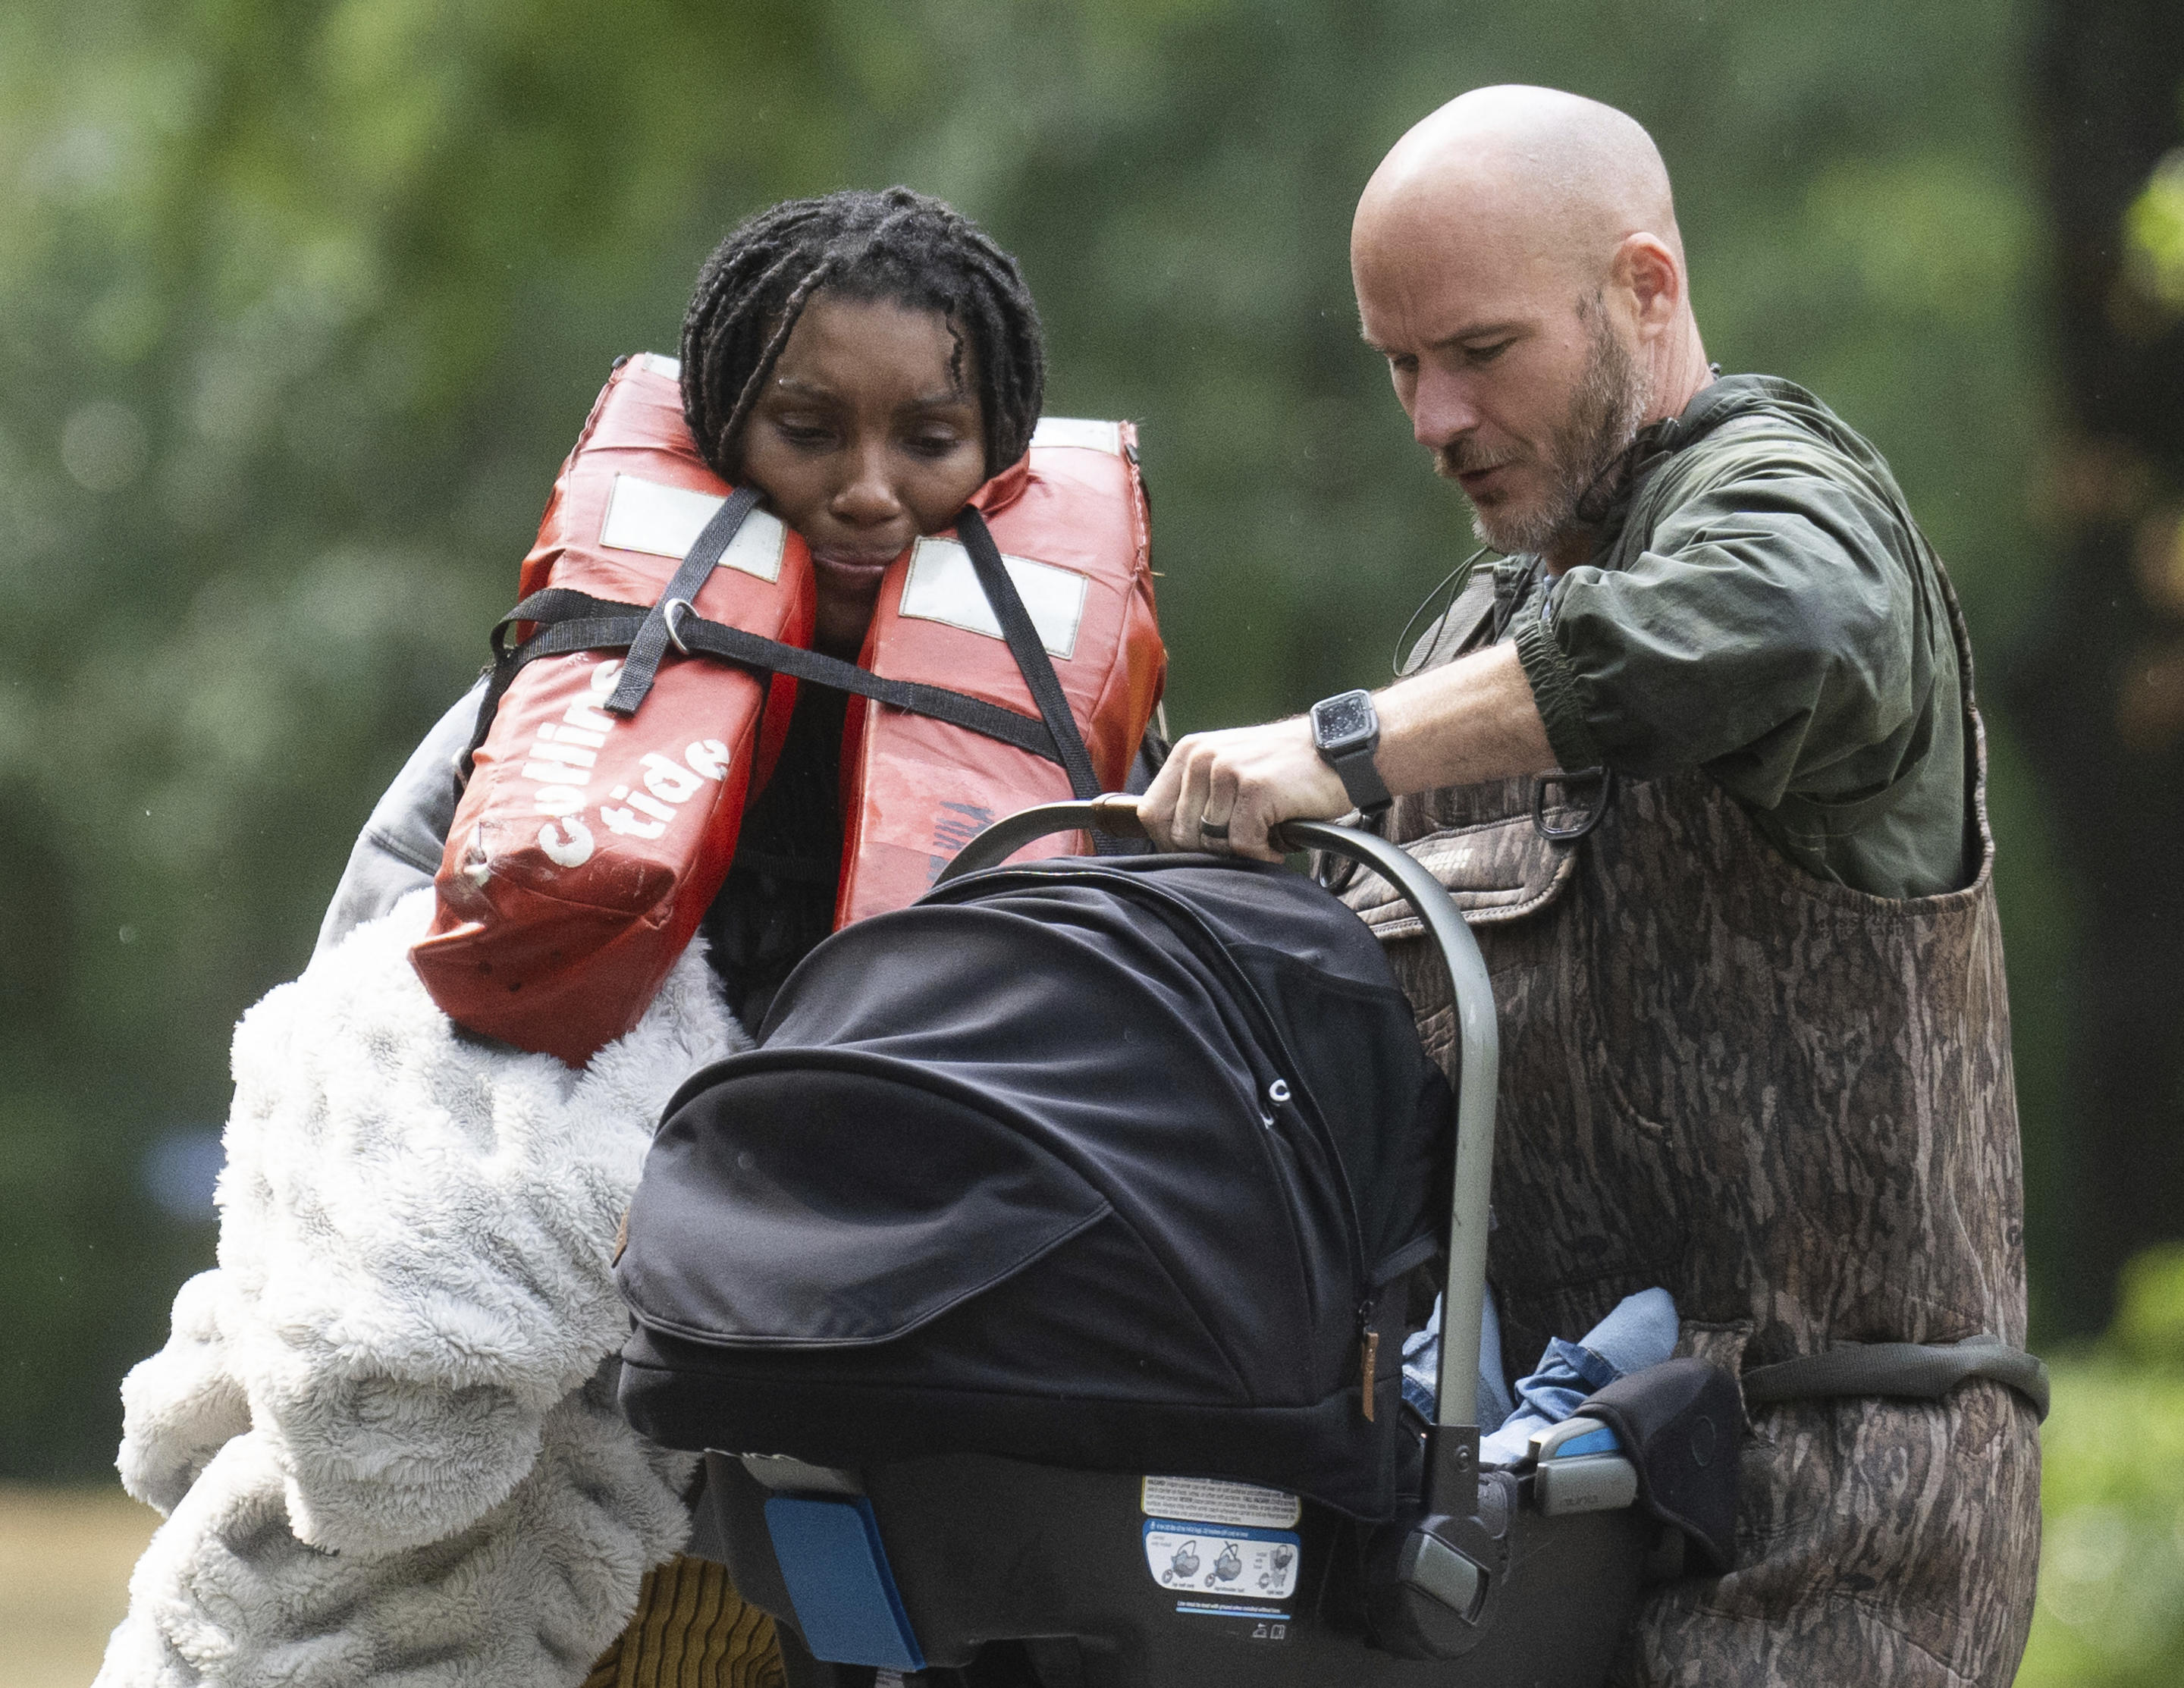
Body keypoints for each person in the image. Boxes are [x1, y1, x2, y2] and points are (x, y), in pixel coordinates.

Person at [107, 187, 1159, 1688]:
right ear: (727, 431)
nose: (869, 489)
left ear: (998, 450)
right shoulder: (565, 701)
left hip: (893, 1409)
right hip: (601, 1394)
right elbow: (372, 1006)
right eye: (811, 429)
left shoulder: (1069, 741)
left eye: (927, 439)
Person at [1141, 86, 2040, 1686]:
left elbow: (1786, 621)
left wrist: (1341, 746)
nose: (1432, 418)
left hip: (1826, 1537)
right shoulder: (1469, 640)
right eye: (1399, 366)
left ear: (1644, 286)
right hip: (1515, 1548)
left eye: (1480, 353)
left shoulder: (1791, 502)